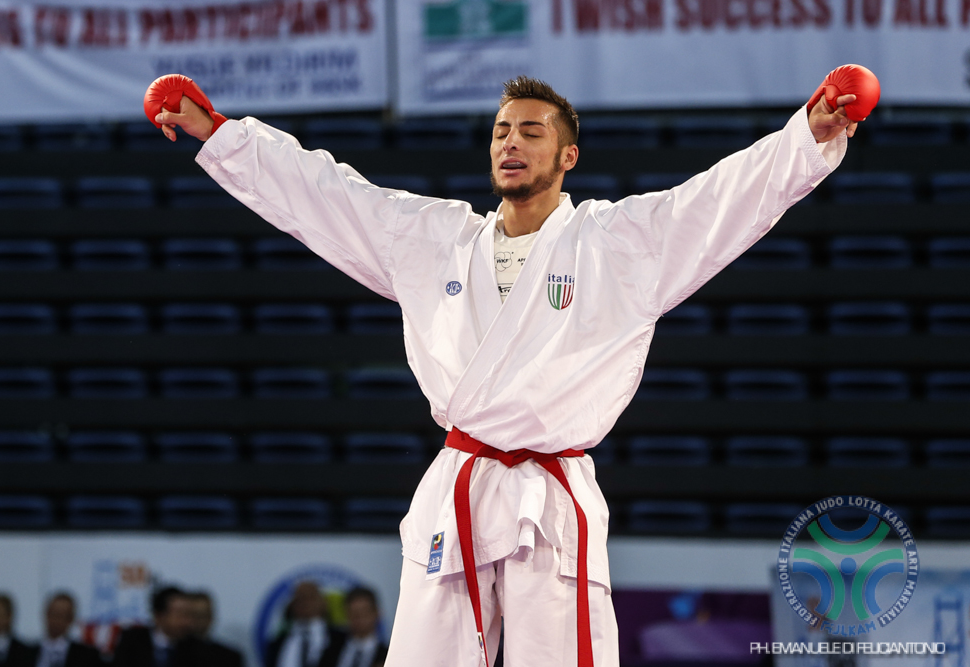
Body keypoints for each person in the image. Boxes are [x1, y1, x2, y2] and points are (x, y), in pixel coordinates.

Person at [149, 68, 863, 666]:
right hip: (457, 487)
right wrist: (223, 136)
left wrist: (806, 137)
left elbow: (718, 202)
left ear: (568, 156)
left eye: (531, 131)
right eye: (501, 131)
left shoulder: (616, 245)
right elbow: (328, 195)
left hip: (550, 496)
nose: (511, 143)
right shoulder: (433, 240)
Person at [111, 587, 203, 667]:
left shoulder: (195, 648)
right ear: (158, 616)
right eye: (180, 614)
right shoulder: (132, 640)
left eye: (189, 615)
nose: (186, 622)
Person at [264, 582, 345, 667]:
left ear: (324, 603)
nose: (304, 602)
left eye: (310, 597)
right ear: (292, 605)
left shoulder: (341, 640)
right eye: (299, 598)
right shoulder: (277, 644)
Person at [35, 593, 101, 667]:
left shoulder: (87, 656)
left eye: (60, 615)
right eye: (52, 613)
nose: (54, 620)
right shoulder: (28, 654)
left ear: (71, 619)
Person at [328, 588, 387, 667]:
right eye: (354, 613)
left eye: (364, 612)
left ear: (376, 613)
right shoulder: (331, 648)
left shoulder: (387, 656)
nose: (359, 618)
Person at [185, 592, 242, 667]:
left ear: (212, 617)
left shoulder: (229, 657)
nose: (200, 621)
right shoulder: (171, 654)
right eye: (195, 615)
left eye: (205, 615)